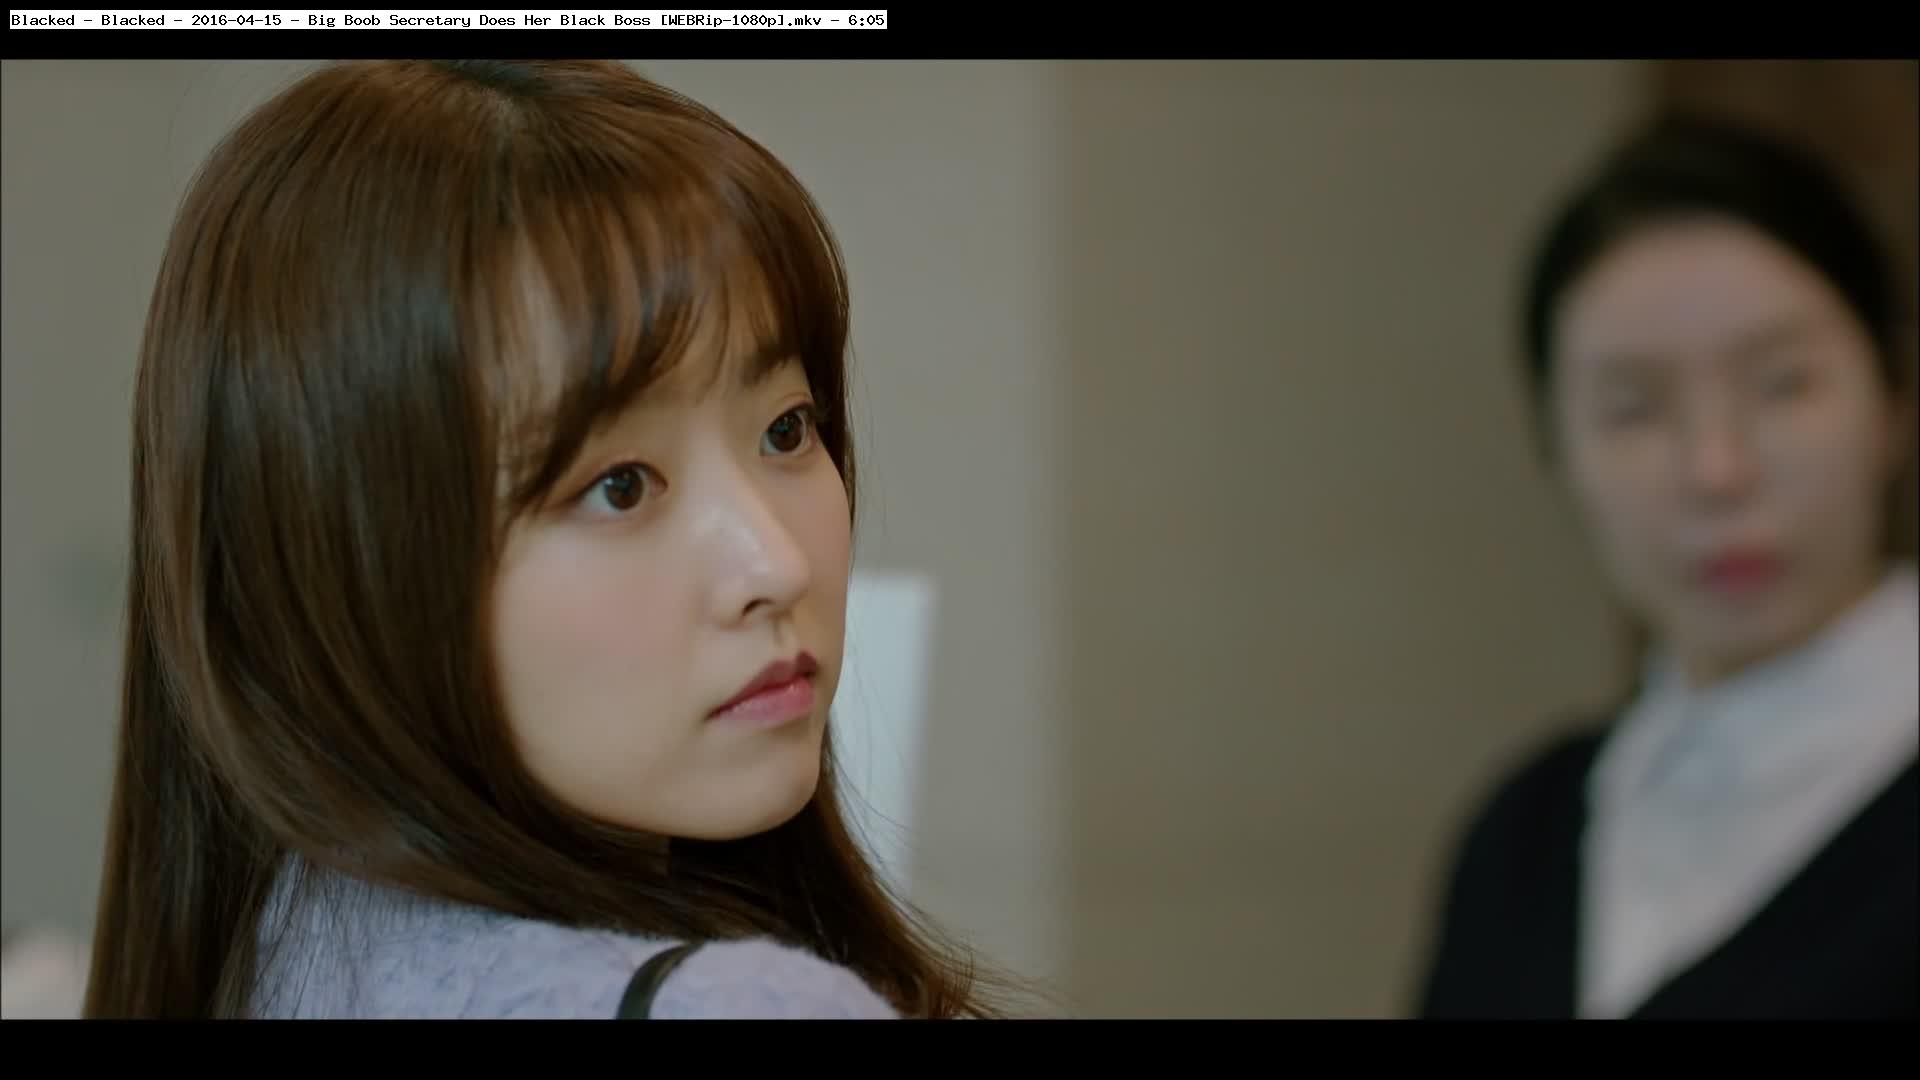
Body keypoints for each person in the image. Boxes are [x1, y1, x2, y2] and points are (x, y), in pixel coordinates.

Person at [82, 59, 1008, 1020]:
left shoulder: (295, 934)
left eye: (786, 429)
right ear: (345, 573)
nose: (775, 564)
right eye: (620, 487)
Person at [1416, 114, 1917, 1019]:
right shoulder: (1525, 835)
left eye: (1782, 384)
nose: (1716, 471)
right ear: (1556, 451)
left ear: (1892, 402)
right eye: (1634, 407)